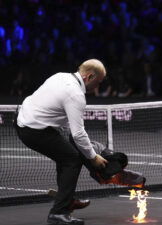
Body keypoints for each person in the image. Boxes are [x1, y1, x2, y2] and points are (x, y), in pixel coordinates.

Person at [14, 59, 108, 225]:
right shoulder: (76, 94)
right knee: (71, 160)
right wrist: (93, 157)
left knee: (66, 156)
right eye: (98, 82)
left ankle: (67, 200)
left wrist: (84, 148)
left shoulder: (61, 76)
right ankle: (58, 213)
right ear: (89, 76)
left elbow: (69, 128)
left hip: (24, 119)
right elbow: (78, 134)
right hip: (33, 129)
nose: (97, 87)